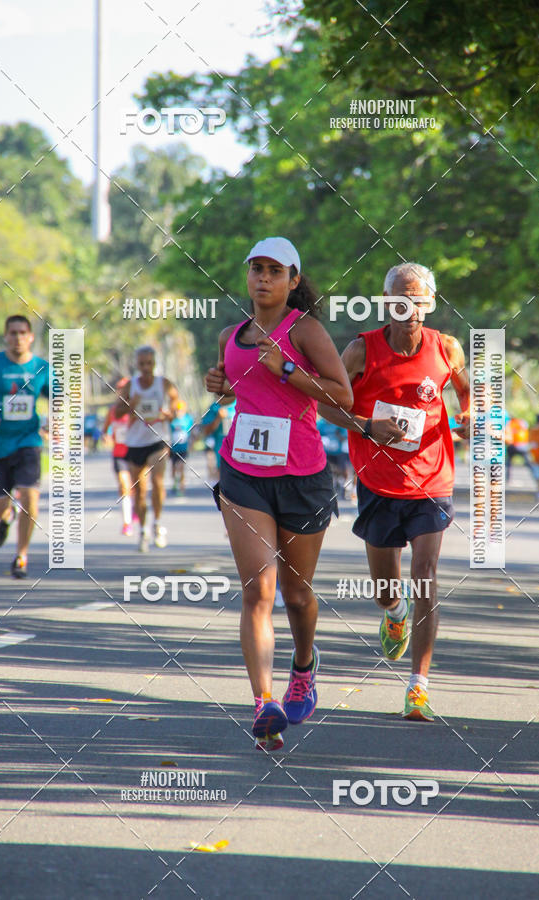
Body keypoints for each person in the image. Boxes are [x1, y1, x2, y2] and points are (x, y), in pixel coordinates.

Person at [205, 236, 352, 751]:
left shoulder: (305, 330)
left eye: (274, 270)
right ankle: (264, 701)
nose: (263, 278)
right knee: (257, 591)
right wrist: (220, 385)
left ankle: (304, 666)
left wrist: (287, 369)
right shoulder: (230, 335)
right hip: (243, 474)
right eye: (256, 269)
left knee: (296, 594)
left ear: (293, 280)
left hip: (303, 476)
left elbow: (342, 394)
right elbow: (240, 391)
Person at [319, 262, 470, 722]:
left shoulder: (446, 348)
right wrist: (367, 425)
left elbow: (468, 391)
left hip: (432, 481)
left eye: (418, 300)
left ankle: (418, 685)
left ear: (430, 303)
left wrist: (469, 417)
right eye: (401, 300)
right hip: (378, 484)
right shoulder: (360, 351)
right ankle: (394, 611)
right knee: (386, 588)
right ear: (387, 302)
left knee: (425, 574)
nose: (410, 309)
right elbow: (326, 404)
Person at [0, 315, 49, 578]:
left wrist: (54, 421)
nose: (18, 337)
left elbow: (60, 396)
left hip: (28, 442)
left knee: (30, 497)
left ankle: (21, 556)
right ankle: (7, 517)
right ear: (6, 336)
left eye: (22, 332)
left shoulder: (41, 367)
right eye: (13, 333)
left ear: (30, 337)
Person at [115, 346, 181, 552]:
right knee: (140, 491)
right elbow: (117, 412)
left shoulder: (164, 383)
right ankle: (143, 530)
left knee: (158, 481)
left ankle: (158, 524)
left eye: (149, 363)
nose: (145, 368)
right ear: (137, 364)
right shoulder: (131, 386)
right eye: (142, 364)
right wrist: (130, 405)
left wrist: (170, 413)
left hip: (158, 440)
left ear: (154, 363)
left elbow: (178, 404)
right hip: (135, 443)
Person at [103, 378, 135, 534]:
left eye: (124, 388)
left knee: (136, 487)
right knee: (124, 486)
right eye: (119, 389)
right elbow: (105, 430)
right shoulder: (113, 411)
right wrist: (106, 437)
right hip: (119, 454)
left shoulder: (135, 408)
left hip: (135, 452)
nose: (121, 391)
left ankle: (135, 509)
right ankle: (127, 522)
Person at [169, 402, 194, 496]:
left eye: (180, 410)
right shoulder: (172, 419)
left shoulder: (188, 419)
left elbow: (192, 432)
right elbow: (168, 432)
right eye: (177, 410)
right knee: (173, 469)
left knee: (181, 467)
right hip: (173, 448)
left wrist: (191, 444)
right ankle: (175, 482)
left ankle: (181, 489)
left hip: (183, 448)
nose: (178, 412)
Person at [505, 415, 534, 483]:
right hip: (516, 445)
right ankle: (507, 478)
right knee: (509, 463)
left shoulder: (517, 423)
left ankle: (535, 474)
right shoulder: (512, 423)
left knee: (528, 462)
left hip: (520, 445)